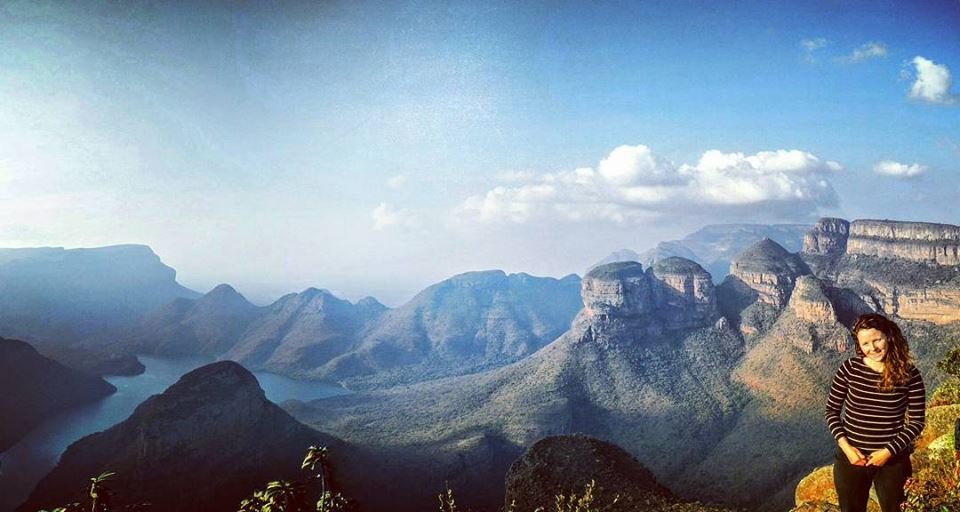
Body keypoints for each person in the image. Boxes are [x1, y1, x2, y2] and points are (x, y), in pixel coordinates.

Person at [824, 313, 926, 512]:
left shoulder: (909, 375)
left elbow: (916, 422)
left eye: (877, 339)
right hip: (852, 458)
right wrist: (846, 448)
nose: (873, 348)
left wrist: (887, 452)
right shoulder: (849, 369)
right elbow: (831, 410)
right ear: (859, 345)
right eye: (865, 343)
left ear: (888, 336)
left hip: (892, 461)